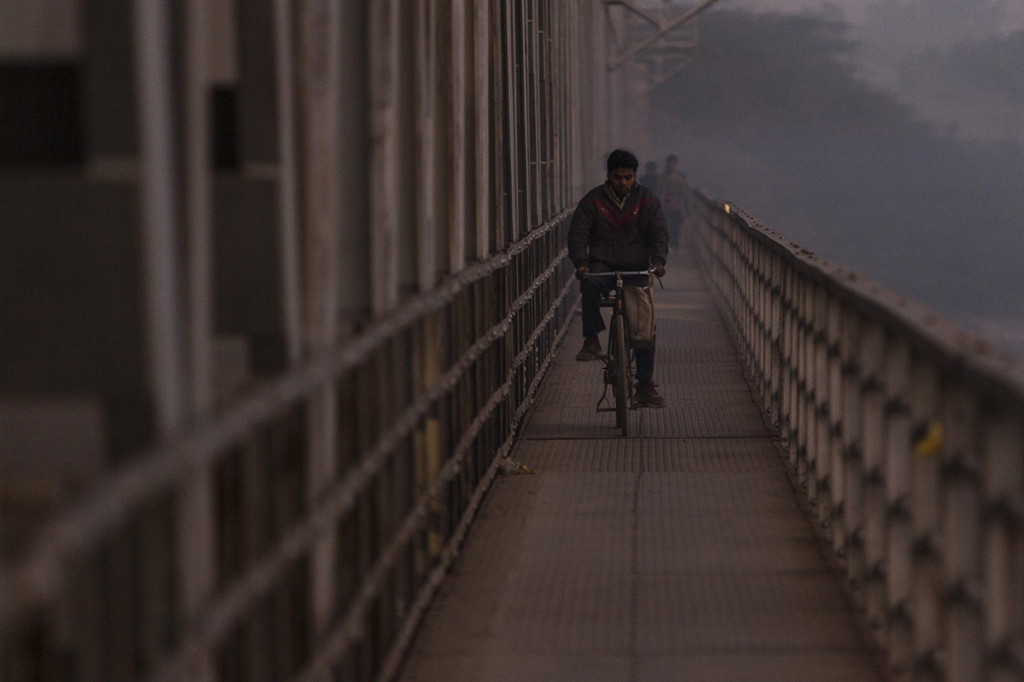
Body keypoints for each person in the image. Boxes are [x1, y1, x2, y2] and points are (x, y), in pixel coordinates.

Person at [568, 149, 668, 408]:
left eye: (628, 177)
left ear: (635, 176)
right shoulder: (593, 201)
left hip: (636, 265)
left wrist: (658, 261)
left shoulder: (647, 200)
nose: (623, 183)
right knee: (590, 283)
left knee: (645, 328)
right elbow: (578, 233)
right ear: (609, 176)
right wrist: (581, 263)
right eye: (617, 178)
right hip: (603, 263)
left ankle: (644, 384)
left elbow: (658, 231)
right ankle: (591, 339)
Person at [659, 154, 690, 251]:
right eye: (670, 163)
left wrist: (685, 207)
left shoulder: (680, 178)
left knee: (676, 226)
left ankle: (674, 245)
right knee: (666, 226)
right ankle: (669, 244)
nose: (671, 166)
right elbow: (658, 192)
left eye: (673, 163)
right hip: (665, 206)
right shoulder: (662, 177)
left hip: (676, 206)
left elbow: (685, 194)